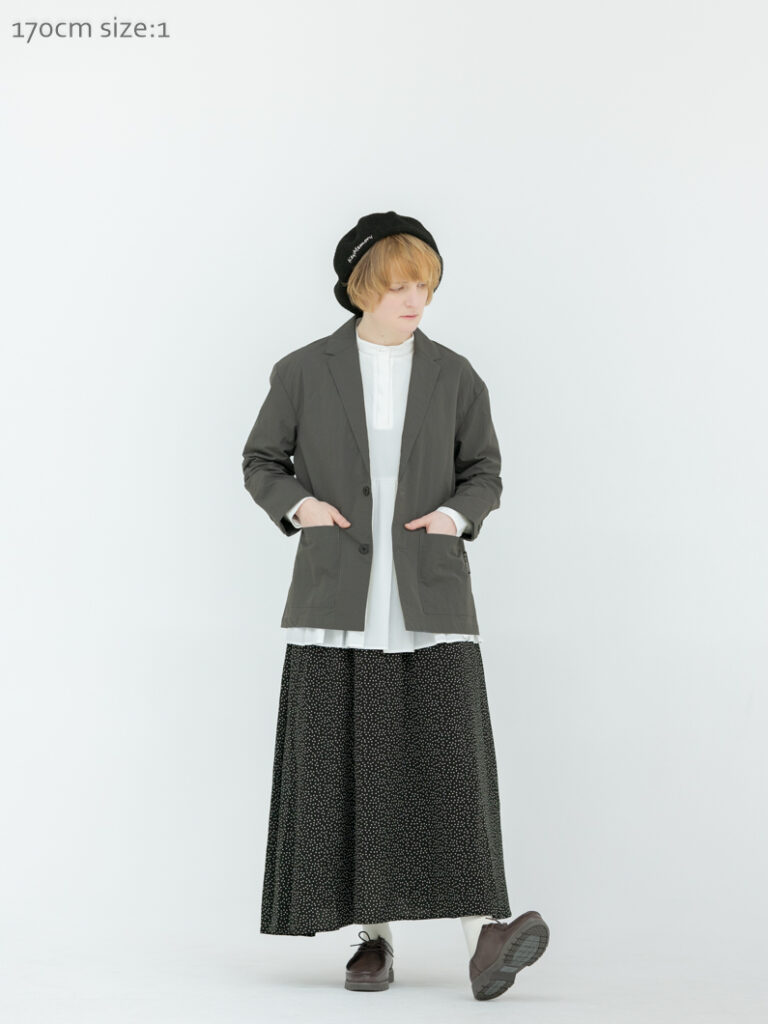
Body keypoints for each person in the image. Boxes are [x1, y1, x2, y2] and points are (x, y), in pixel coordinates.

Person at [241, 210, 549, 1000]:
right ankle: (371, 940)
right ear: (360, 288)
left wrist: (454, 515)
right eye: (400, 285)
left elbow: (484, 471)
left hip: (428, 599)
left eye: (426, 286)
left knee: (450, 768)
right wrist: (299, 505)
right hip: (335, 601)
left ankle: (486, 934)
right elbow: (261, 459)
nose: (416, 300)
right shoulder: (304, 370)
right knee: (349, 767)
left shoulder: (455, 374)